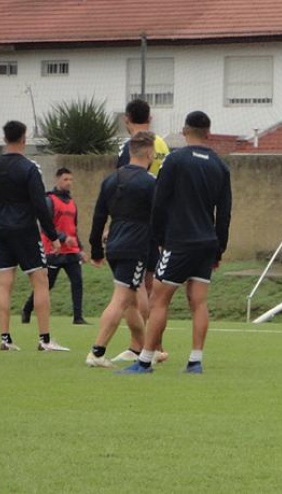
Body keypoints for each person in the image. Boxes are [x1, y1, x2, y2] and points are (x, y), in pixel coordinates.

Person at [120, 111, 232, 374]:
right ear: (209, 133)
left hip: (179, 242)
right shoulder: (220, 166)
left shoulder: (175, 160)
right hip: (206, 243)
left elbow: (159, 202)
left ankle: (145, 361)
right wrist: (219, 248)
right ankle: (195, 361)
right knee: (199, 302)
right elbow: (224, 213)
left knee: (159, 299)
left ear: (184, 131)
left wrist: (158, 237)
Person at [0, 120, 69, 352]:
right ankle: (45, 339)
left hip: (0, 230)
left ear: (4, 139)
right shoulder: (29, 168)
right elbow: (40, 205)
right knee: (40, 281)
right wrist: (53, 235)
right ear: (24, 139)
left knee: (4, 284)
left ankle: (5, 338)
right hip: (25, 231)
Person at [85, 131, 158, 368]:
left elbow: (98, 217)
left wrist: (96, 249)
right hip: (135, 247)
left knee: (132, 303)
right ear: (149, 153)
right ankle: (97, 352)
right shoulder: (150, 183)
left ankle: (146, 349)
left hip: (114, 246)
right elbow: (160, 219)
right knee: (121, 300)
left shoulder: (110, 180)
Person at [112, 98, 170, 363]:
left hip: (134, 224)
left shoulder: (132, 147)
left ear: (127, 118)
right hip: (158, 221)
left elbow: (121, 184)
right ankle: (154, 346)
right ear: (151, 117)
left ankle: (141, 346)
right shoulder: (162, 144)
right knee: (150, 286)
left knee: (135, 288)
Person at [21, 167, 88, 325]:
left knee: (77, 282)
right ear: (57, 180)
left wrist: (81, 249)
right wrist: (63, 238)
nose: (69, 183)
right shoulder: (50, 200)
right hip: (54, 250)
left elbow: (74, 228)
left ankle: (78, 317)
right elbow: (46, 225)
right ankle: (27, 308)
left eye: (71, 180)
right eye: (65, 179)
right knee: (47, 284)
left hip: (71, 252)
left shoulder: (72, 203)